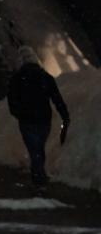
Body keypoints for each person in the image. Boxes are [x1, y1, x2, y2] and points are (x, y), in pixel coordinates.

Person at [7, 45, 70, 186]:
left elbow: (11, 100)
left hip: (26, 120)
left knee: (34, 149)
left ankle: (38, 179)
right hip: (43, 118)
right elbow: (56, 98)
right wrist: (65, 115)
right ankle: (39, 176)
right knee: (39, 148)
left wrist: (18, 113)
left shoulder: (17, 79)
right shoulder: (45, 77)